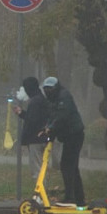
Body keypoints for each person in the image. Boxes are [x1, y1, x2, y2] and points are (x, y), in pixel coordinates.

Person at [41, 76, 86, 206]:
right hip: (68, 136)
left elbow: (62, 115)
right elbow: (53, 116)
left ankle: (70, 198)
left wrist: (51, 127)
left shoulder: (63, 96)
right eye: (46, 89)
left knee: (67, 165)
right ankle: (79, 198)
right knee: (71, 167)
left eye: (50, 88)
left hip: (74, 135)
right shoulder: (54, 99)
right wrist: (47, 127)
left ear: (56, 87)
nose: (48, 91)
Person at [14, 76, 49, 177]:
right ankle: (42, 190)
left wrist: (23, 140)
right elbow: (35, 118)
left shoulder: (34, 102)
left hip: (35, 140)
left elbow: (31, 122)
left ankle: (40, 191)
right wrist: (22, 113)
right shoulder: (41, 99)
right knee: (42, 168)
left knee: (37, 170)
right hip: (42, 138)